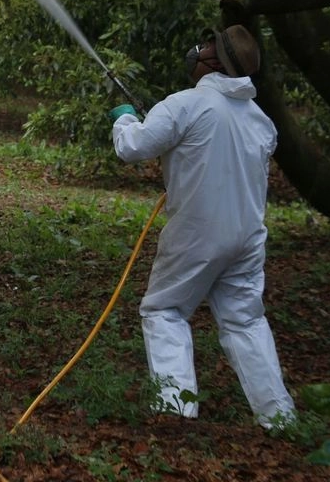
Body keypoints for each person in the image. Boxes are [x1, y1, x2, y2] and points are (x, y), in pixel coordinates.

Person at [109, 25, 295, 428]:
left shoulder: (186, 104)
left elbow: (133, 147)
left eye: (207, 45)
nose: (198, 49)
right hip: (247, 240)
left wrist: (124, 120)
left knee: (164, 310)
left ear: (216, 61)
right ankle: (279, 418)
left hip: (198, 235)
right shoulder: (261, 121)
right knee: (246, 321)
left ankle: (175, 411)